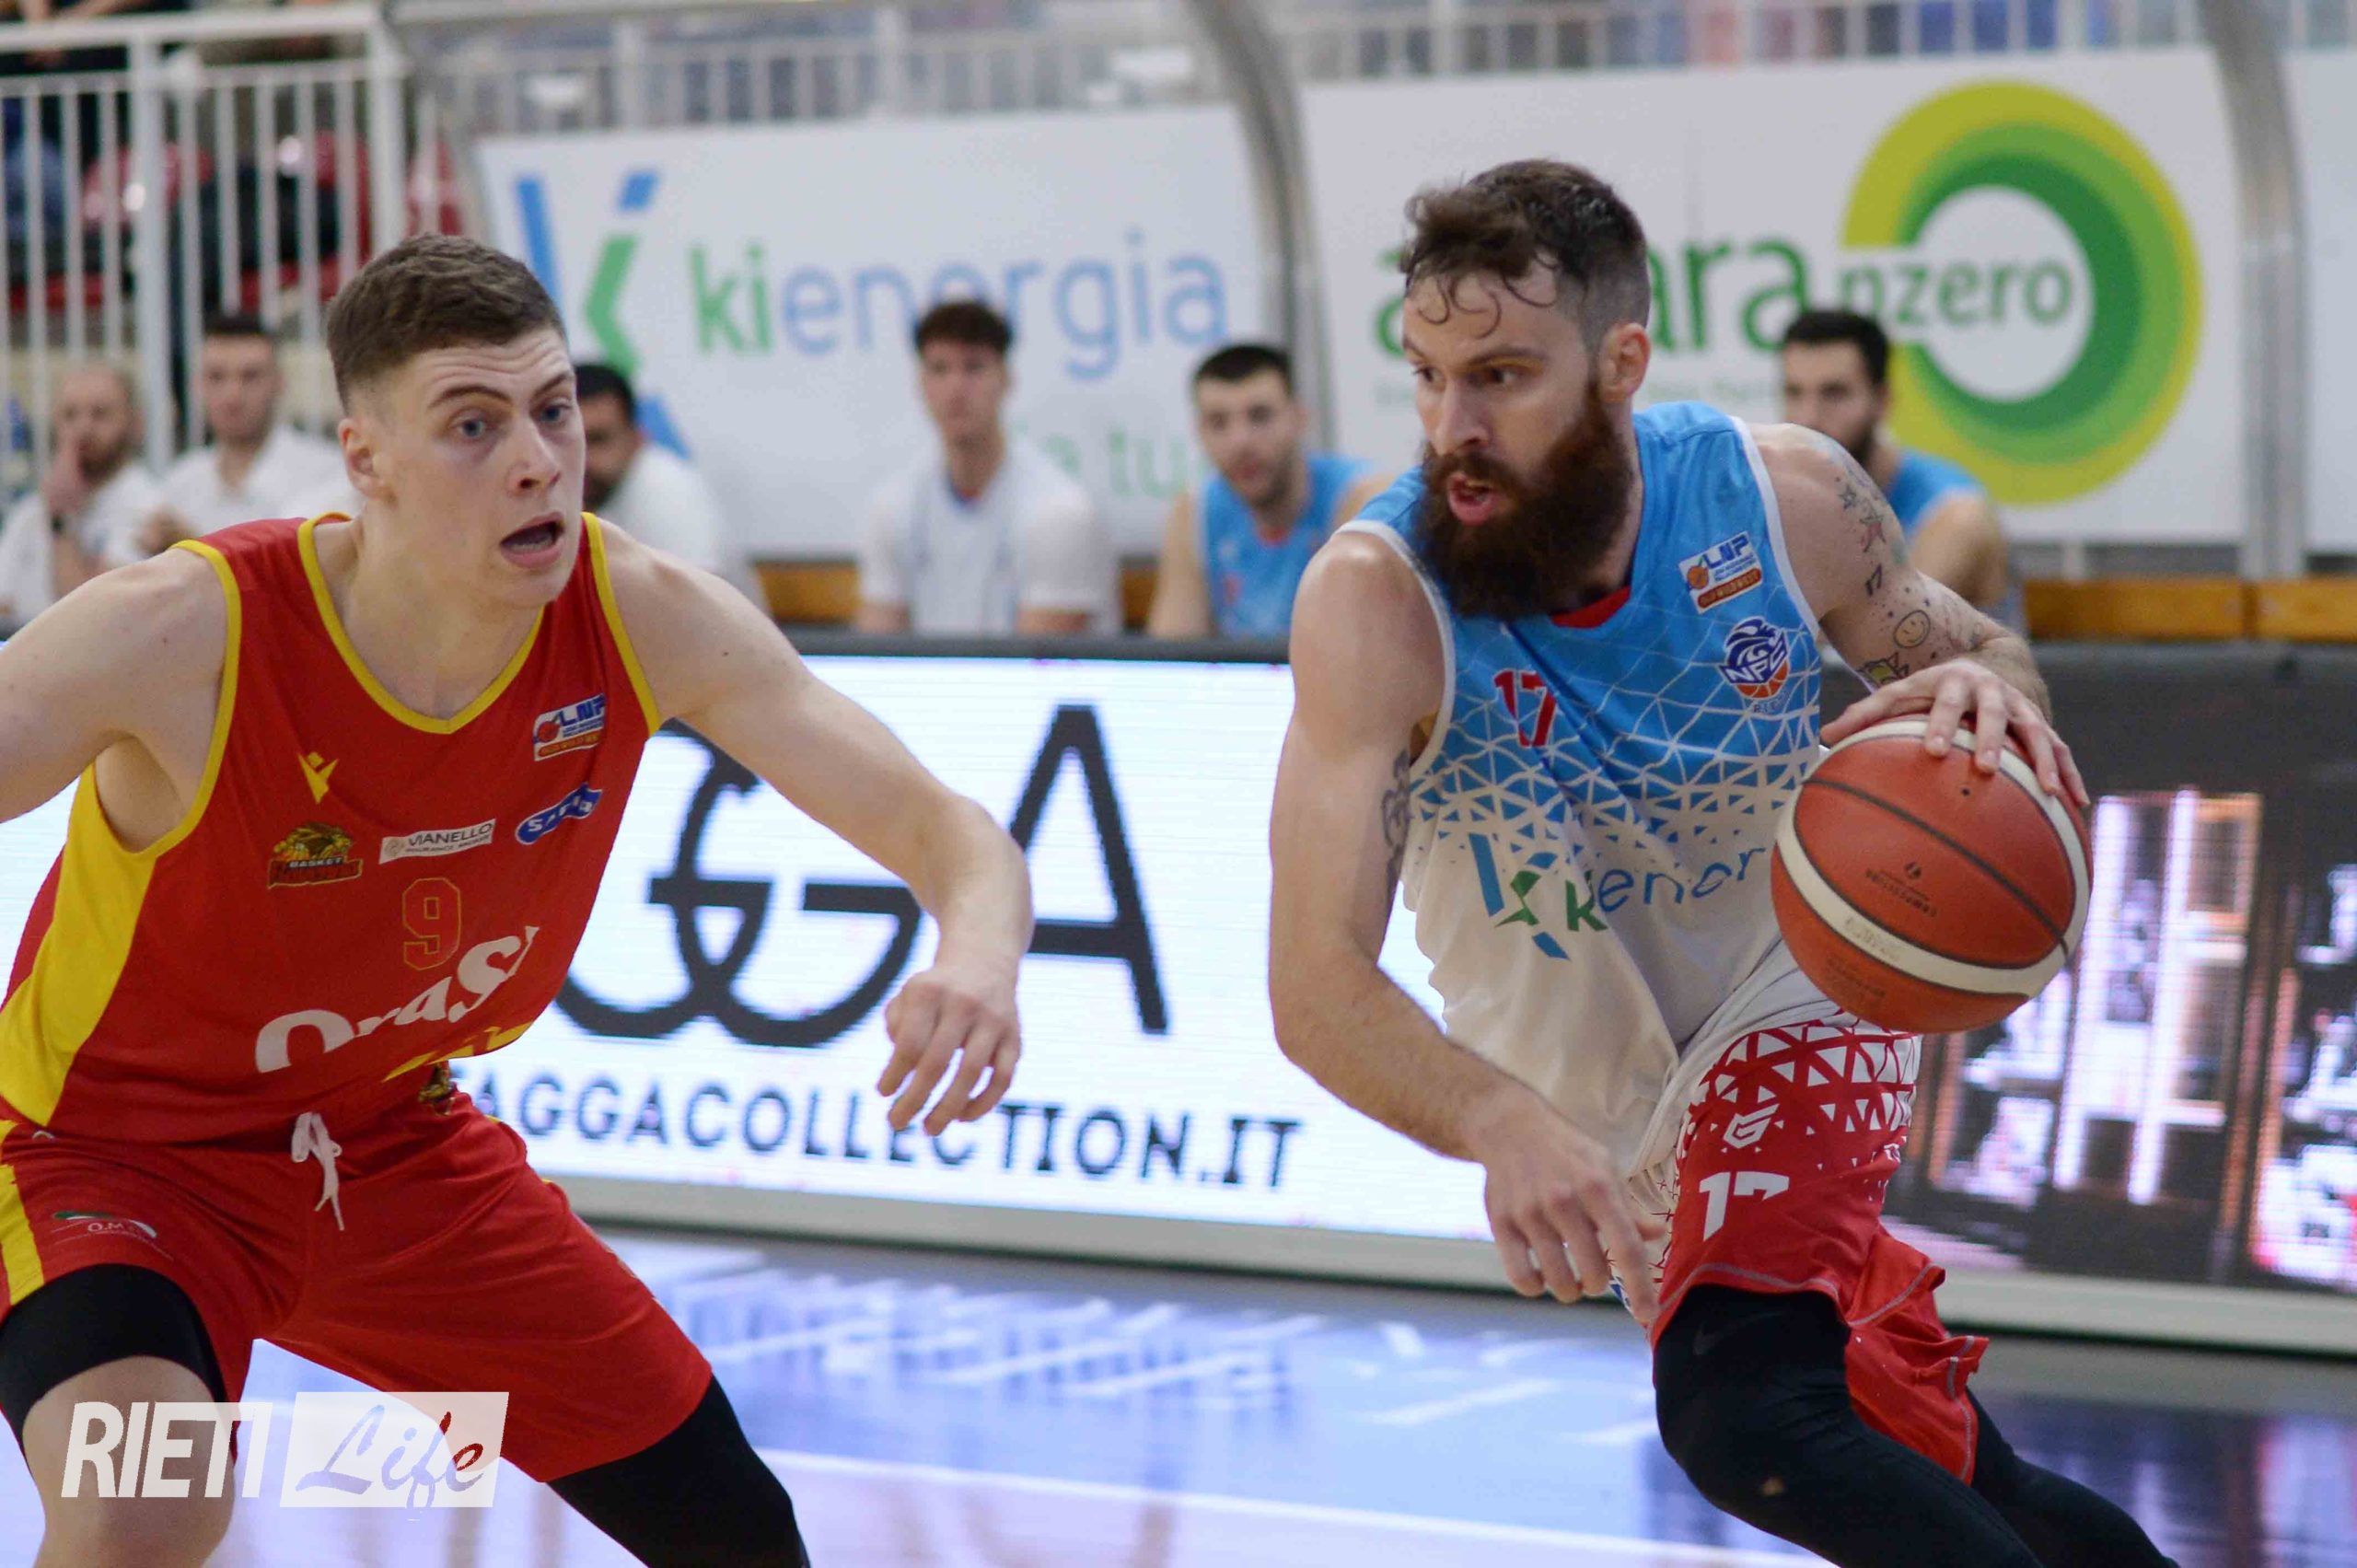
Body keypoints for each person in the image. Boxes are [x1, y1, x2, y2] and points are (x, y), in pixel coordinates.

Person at [0, 235, 1032, 1567]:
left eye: (552, 410)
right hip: (112, 1151)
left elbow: (948, 829)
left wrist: (979, 958)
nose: (538, 459)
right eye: (473, 425)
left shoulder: (641, 612)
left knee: (738, 1528)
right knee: (148, 1492)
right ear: (365, 460)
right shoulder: (186, 630)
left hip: (388, 1146)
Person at [1267, 160, 2173, 1568]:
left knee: (1745, 1414)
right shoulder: (1375, 599)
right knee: (1942, 1461)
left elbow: (1988, 652)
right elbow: (1313, 982)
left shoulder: (1784, 496)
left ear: (1622, 364)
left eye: (1502, 376)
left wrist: (1994, 694)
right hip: (1604, 1101)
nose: (1455, 429)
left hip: (1802, 985)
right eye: (1429, 378)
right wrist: (1498, 1119)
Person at [857, 299, 1117, 635]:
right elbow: (879, 648)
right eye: (939, 369)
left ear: (1006, 380)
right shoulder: (894, 505)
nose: (956, 388)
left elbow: (1038, 660)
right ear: (921, 384)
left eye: (974, 368)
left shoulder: (1062, 513)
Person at [1779, 308, 2017, 630]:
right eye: (1794, 392)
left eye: (1834, 393)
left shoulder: (1954, 515)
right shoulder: (1792, 503)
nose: (1808, 417)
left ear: (1882, 399)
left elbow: (1885, 633)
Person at [1147, 343, 1387, 640]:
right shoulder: (1194, 513)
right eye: (1218, 422)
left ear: (1298, 417)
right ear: (1199, 432)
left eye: (1259, 416)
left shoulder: (1361, 502)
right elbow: (1174, 653)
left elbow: (1363, 649)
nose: (1240, 441)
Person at [574, 360, 765, 608]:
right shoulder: (588, 491)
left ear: (637, 437)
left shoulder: (667, 492)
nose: (582, 459)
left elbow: (696, 609)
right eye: (572, 441)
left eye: (598, 440)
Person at [149, 313, 348, 543]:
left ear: (279, 382)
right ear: (197, 385)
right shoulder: (180, 482)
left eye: (250, 376)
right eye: (216, 377)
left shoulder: (325, 475)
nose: (232, 395)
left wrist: (192, 545)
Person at [0, 363, 162, 632]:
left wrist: (62, 520)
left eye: (100, 414)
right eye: (70, 415)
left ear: (135, 424)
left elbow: (89, 620)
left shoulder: (149, 510)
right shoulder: (30, 511)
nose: (83, 428)